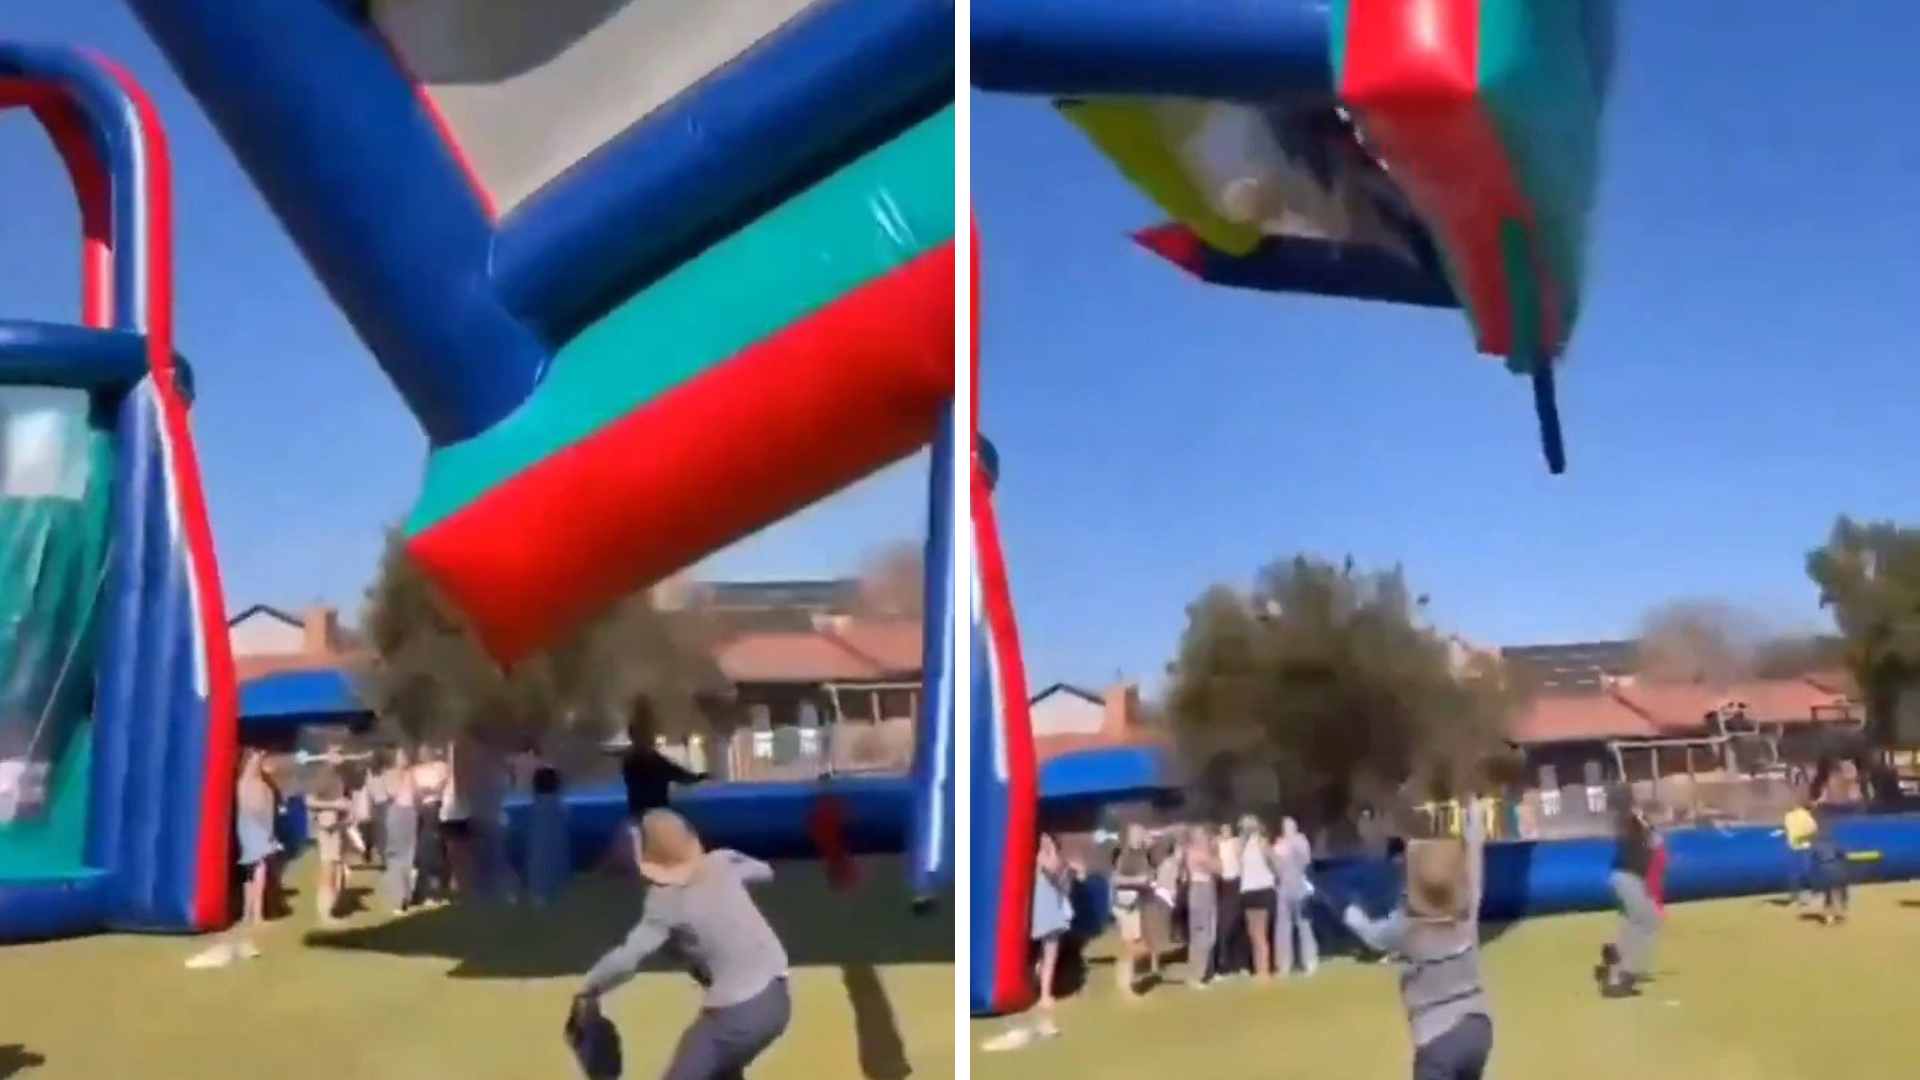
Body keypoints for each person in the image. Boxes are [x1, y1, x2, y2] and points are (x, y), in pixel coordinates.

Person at [576, 810, 791, 1080]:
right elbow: (765, 871)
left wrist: (591, 985)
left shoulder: (666, 901)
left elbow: (629, 958)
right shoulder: (723, 860)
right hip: (779, 996)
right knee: (721, 1071)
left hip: (737, 1012)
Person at [1343, 806, 1491, 1080]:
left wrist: (1350, 912)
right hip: (1477, 1028)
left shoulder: (1407, 927)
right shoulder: (1464, 910)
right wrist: (1474, 837)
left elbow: (1371, 936)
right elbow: (1475, 875)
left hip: (1436, 1037)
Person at [981, 834, 1078, 1052]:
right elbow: (1055, 874)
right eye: (1045, 842)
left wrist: (1064, 868)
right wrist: (1062, 866)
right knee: (1047, 953)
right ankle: (1042, 994)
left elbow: (1061, 880)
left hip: (1048, 907)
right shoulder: (1042, 858)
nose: (1047, 844)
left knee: (1047, 953)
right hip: (1045, 909)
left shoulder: (1042, 857)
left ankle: (1041, 992)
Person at [190, 748, 281, 969]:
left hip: (248, 828)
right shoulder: (256, 784)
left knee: (251, 870)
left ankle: (249, 912)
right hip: (257, 828)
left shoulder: (243, 783)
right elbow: (261, 809)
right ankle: (255, 913)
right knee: (258, 870)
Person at [621, 701, 707, 866]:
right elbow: (683, 776)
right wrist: (699, 777)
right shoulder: (654, 762)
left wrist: (697, 777)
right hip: (655, 816)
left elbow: (681, 775)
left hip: (640, 815)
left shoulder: (633, 761)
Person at [1597, 803, 1661, 998]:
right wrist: (1643, 820)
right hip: (1627, 878)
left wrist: (1642, 820)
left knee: (1645, 919)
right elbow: (1656, 841)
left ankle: (1619, 958)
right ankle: (1618, 977)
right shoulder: (1637, 834)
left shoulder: (1634, 835)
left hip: (1628, 879)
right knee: (1640, 922)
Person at [307, 758, 353, 926]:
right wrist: (334, 805)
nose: (340, 757)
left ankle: (332, 911)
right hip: (327, 826)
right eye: (335, 753)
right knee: (328, 868)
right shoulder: (323, 775)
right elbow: (309, 801)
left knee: (336, 868)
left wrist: (347, 812)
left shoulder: (340, 776)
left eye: (341, 752)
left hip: (338, 826)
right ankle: (325, 914)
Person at [1108, 824, 1153, 998]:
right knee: (1130, 947)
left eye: (1141, 834)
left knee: (1135, 945)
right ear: (1130, 837)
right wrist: (1138, 880)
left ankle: (1128, 982)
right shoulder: (1125, 856)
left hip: (1136, 904)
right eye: (1137, 834)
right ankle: (1125, 986)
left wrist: (1147, 883)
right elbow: (1116, 880)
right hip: (1125, 906)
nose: (1141, 837)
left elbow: (1146, 876)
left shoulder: (1142, 855)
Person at [1273, 816, 1318, 977]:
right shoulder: (1279, 843)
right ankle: (1284, 964)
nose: (1287, 829)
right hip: (1283, 888)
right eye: (1285, 826)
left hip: (1299, 887)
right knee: (1283, 927)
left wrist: (1292, 847)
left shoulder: (1300, 841)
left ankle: (1310, 960)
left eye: (1290, 826)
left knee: (1304, 924)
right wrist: (1276, 853)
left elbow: (1306, 860)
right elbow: (1275, 867)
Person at [525, 752, 570, 906]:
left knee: (541, 853)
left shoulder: (539, 807)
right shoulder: (558, 806)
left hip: (543, 813)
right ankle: (552, 891)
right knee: (552, 852)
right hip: (550, 810)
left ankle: (542, 895)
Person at [379, 746, 420, 915]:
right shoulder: (390, 774)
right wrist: (401, 777)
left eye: (405, 754)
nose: (404, 757)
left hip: (411, 813)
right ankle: (397, 899)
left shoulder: (413, 773)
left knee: (409, 856)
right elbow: (390, 793)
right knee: (396, 856)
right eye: (401, 754)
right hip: (397, 812)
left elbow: (418, 794)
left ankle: (406, 897)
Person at [1237, 816, 1277, 979]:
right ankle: (1260, 969)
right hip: (1248, 890)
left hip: (1262, 889)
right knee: (1253, 935)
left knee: (1260, 934)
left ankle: (1264, 971)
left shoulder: (1262, 843)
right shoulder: (1242, 846)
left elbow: (1274, 863)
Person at [1183, 825, 1220, 988]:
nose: (1205, 840)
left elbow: (1219, 868)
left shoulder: (1206, 852)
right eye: (1202, 837)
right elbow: (1216, 867)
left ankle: (1207, 972)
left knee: (1211, 934)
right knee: (1200, 935)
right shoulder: (1193, 852)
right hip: (1199, 890)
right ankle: (1196, 975)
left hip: (1209, 890)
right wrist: (1213, 856)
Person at [1214, 822, 1244, 977]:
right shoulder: (1218, 844)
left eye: (1227, 830)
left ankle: (1237, 964)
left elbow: (1240, 858)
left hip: (1235, 883)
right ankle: (1225, 964)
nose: (1225, 832)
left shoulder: (1235, 843)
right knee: (1224, 926)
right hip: (1224, 884)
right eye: (1222, 830)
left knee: (1235, 924)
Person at [1811, 804, 1849, 925]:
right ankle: (1842, 905)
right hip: (1835, 867)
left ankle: (1829, 917)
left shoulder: (1816, 844)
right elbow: (1842, 854)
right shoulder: (1833, 842)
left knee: (1828, 894)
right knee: (1841, 887)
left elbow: (1814, 859)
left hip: (1823, 869)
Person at [1783, 798, 1818, 907]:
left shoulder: (1789, 816)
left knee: (1795, 874)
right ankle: (1812, 895)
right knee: (1807, 872)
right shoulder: (1807, 817)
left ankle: (1795, 898)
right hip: (1802, 847)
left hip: (1794, 847)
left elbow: (1788, 828)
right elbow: (1812, 831)